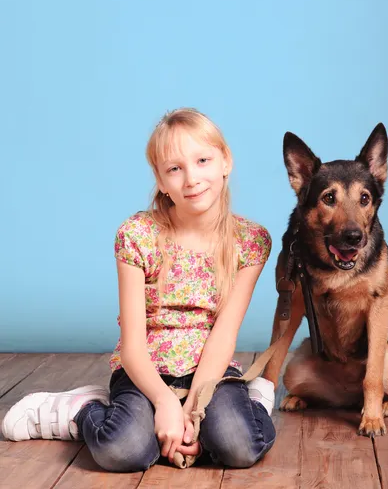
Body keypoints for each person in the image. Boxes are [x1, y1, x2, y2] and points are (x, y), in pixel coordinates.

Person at [2, 108, 276, 471]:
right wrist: (164, 403)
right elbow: (132, 345)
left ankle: (250, 401)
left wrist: (192, 414)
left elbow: (224, 334)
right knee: (122, 450)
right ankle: (80, 410)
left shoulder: (250, 241)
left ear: (226, 161)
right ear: (161, 180)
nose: (191, 178)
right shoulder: (138, 235)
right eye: (174, 169)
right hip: (144, 368)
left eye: (203, 160)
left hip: (211, 369)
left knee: (239, 447)